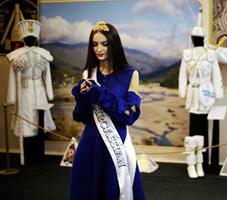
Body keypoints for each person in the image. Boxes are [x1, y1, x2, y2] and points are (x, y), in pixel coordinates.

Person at [70, 21, 146, 200]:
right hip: (90, 142)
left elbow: (129, 115)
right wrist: (82, 99)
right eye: (95, 44)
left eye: (104, 44)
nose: (99, 49)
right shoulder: (88, 74)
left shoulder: (130, 74)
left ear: (114, 44)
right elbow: (81, 116)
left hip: (117, 143)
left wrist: (100, 94)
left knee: (114, 189)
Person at [179, 9, 224, 178]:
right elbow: (183, 75)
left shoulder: (211, 55)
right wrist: (183, 92)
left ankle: (202, 162)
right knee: (193, 128)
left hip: (205, 94)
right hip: (193, 94)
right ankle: (192, 163)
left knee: (203, 128)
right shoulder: (187, 54)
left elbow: (216, 75)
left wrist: (217, 94)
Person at [6, 19, 56, 165]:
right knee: (27, 119)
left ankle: (38, 155)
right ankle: (28, 156)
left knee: (38, 120)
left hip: (39, 91)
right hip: (25, 92)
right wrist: (12, 98)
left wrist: (49, 94)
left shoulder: (43, 54)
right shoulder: (16, 56)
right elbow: (12, 78)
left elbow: (47, 76)